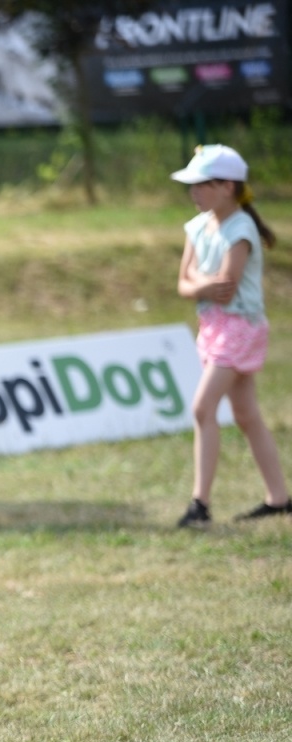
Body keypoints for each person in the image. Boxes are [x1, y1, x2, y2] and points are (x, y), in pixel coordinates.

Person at [171, 144, 287, 528]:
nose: (194, 192)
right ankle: (280, 499)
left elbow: (227, 285)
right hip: (213, 326)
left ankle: (199, 504)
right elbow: (185, 285)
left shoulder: (241, 229)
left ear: (227, 187)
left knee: (203, 408)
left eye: (202, 185)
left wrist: (198, 284)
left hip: (239, 328)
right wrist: (201, 285)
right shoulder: (196, 226)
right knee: (246, 414)